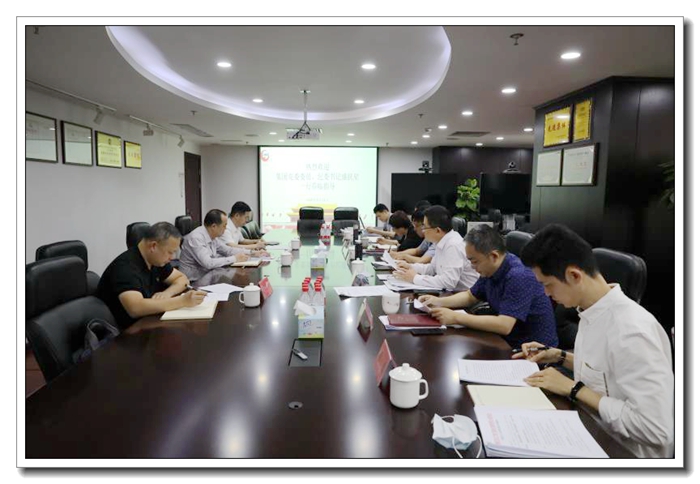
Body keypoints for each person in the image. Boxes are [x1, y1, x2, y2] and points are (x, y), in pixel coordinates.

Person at [514, 223, 673, 458]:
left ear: (574, 275)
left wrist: (573, 388)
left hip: (624, 452)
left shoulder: (632, 332)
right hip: (589, 430)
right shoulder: (592, 310)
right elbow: (606, 372)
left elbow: (656, 429)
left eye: (547, 285)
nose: (546, 294)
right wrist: (559, 356)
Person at [419, 224, 557, 348]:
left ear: (494, 256)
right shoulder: (490, 269)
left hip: (533, 352)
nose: (472, 267)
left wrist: (455, 317)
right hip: (505, 341)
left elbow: (504, 325)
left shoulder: (519, 275)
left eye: (475, 261)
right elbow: (470, 296)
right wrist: (438, 301)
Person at [97, 222, 207, 330]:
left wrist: (167, 293)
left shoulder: (155, 260)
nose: (172, 258)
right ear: (153, 246)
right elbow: (135, 308)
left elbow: (182, 279)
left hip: (149, 322)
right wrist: (182, 301)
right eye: (170, 252)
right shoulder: (125, 267)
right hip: (127, 333)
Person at [393, 205, 478, 291]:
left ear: (437, 230)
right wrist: (410, 267)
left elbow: (449, 282)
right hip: (450, 292)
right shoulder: (440, 241)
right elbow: (433, 268)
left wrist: (415, 278)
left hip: (463, 295)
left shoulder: (453, 245)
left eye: (425, 227)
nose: (423, 230)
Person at [178, 209, 251, 281]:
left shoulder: (213, 236)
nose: (225, 229)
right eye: (224, 226)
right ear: (214, 226)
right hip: (193, 281)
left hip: (208, 276)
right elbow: (208, 263)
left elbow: (228, 250)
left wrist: (251, 252)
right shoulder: (196, 238)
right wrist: (234, 258)